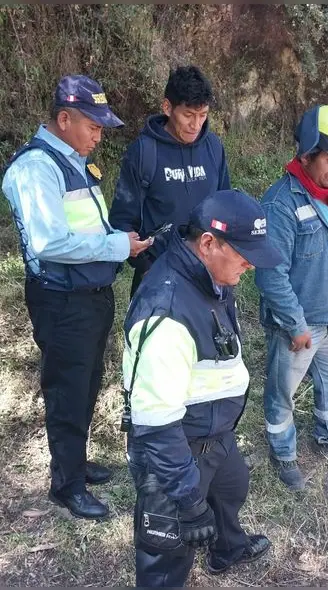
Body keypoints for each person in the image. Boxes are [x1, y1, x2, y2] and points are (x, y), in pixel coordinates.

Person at [1, 74, 153, 520]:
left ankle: (76, 464)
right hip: (62, 301)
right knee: (67, 391)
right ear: (64, 119)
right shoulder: (35, 168)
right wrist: (116, 247)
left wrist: (118, 239)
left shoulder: (73, 160)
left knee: (84, 385)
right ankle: (65, 485)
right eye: (93, 125)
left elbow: (87, 226)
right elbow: (50, 243)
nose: (99, 135)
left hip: (90, 296)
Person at [121, 190, 279, 586]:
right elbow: (156, 424)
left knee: (231, 488)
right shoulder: (168, 309)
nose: (250, 264)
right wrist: (188, 500)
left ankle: (227, 547)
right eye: (243, 253)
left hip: (214, 434)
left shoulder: (210, 276)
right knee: (168, 555)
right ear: (207, 242)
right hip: (175, 449)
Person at [255, 105, 328, 491]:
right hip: (298, 324)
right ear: (307, 155)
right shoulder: (282, 203)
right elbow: (271, 274)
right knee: (282, 391)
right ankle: (283, 452)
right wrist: (295, 324)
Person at [109, 65, 231, 298]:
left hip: (208, 274)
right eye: (188, 115)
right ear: (168, 107)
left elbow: (225, 207)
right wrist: (145, 268)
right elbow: (123, 219)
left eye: (202, 115)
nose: (195, 125)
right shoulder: (144, 152)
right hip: (157, 276)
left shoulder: (213, 148)